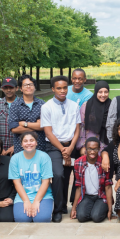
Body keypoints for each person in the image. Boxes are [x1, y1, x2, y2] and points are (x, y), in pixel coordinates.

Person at [41, 75, 81, 222]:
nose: (62, 90)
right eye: (59, 88)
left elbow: (77, 129)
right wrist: (63, 150)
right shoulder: (47, 107)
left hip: (72, 145)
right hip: (54, 146)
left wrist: (70, 148)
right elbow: (48, 132)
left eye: (65, 87)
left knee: (77, 172)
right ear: (53, 89)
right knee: (58, 175)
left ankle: (74, 204)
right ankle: (58, 209)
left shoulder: (74, 105)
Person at [9, 131, 54, 222]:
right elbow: (17, 183)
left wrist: (36, 201)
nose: (28, 143)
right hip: (23, 196)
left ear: (36, 142)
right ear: (21, 144)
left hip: (43, 196)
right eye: (25, 141)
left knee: (42, 219)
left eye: (31, 140)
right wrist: (26, 201)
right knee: (22, 219)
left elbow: (46, 182)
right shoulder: (15, 159)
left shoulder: (44, 157)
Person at [71, 137, 113, 223]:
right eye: (90, 149)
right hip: (87, 196)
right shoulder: (78, 163)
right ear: (85, 149)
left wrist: (110, 210)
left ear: (99, 149)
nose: (92, 152)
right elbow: (78, 187)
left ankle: (99, 209)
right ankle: (93, 209)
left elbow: (108, 187)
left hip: (101, 196)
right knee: (81, 217)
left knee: (96, 218)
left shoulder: (104, 164)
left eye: (95, 149)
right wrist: (74, 208)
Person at [9, 75, 46, 154]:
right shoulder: (15, 105)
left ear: (35, 87)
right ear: (21, 88)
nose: (28, 86)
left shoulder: (42, 104)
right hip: (20, 148)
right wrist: (36, 126)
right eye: (25, 85)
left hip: (40, 147)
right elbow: (14, 129)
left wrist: (24, 124)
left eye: (31, 84)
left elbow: (45, 126)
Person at [77, 81, 111, 154]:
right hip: (89, 144)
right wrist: (82, 146)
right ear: (96, 92)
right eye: (100, 92)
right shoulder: (86, 106)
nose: (103, 95)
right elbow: (81, 127)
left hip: (106, 144)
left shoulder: (112, 105)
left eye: (106, 92)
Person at [0, 77, 18, 156]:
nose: (8, 90)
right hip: (1, 149)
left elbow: (26, 130)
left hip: (19, 148)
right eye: (5, 88)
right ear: (2, 89)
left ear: (16, 88)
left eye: (11, 87)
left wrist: (16, 146)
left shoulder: (22, 104)